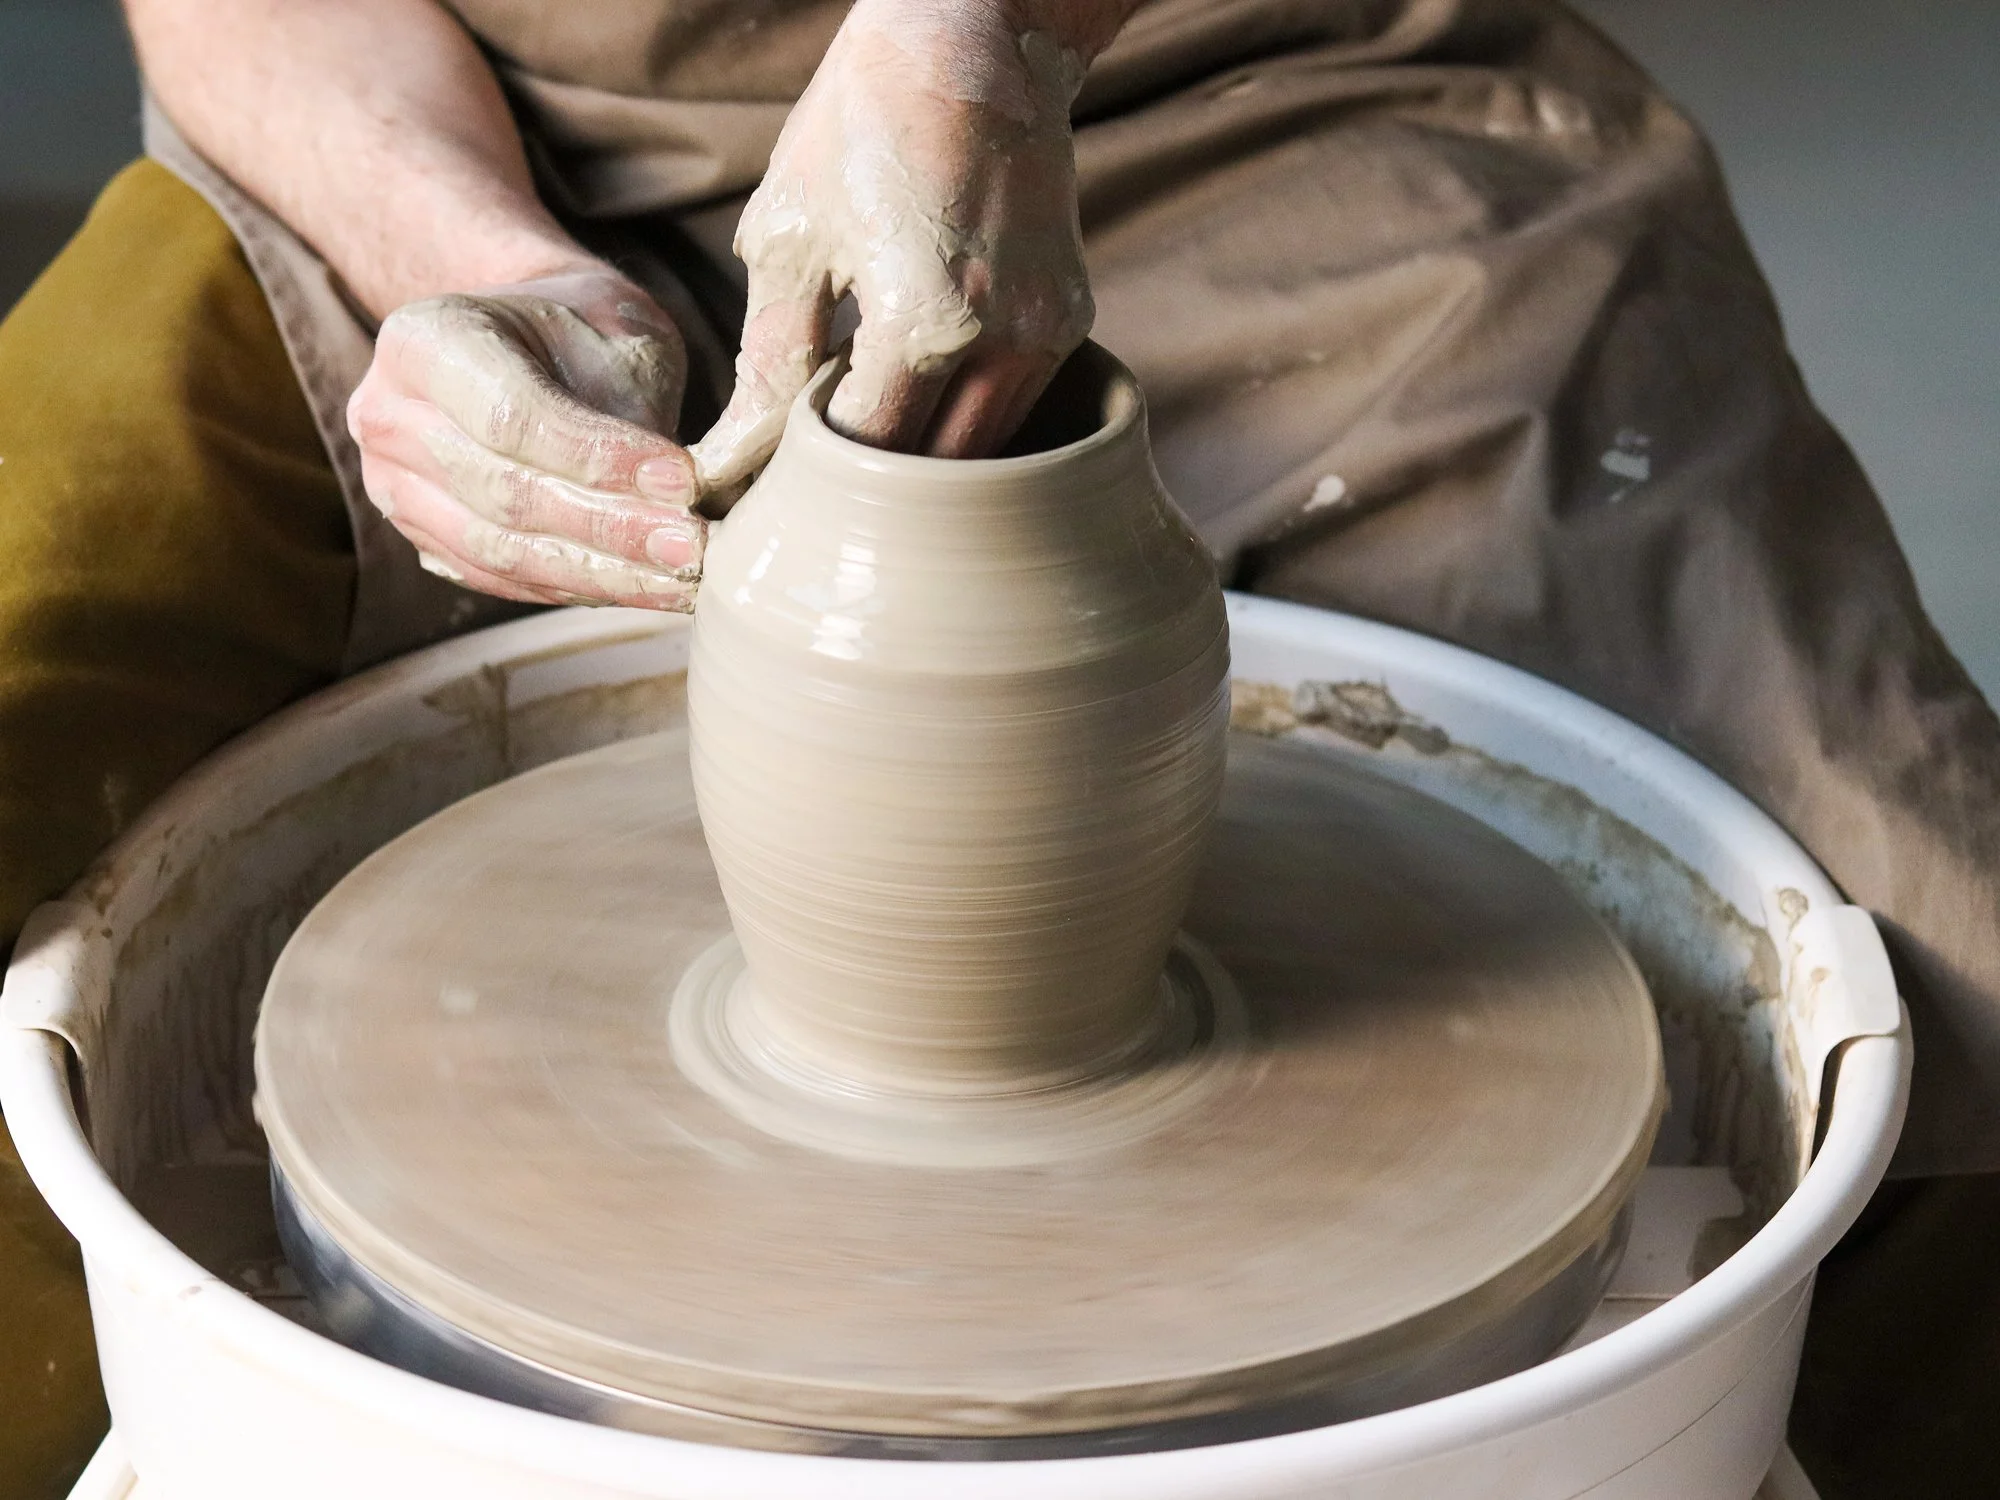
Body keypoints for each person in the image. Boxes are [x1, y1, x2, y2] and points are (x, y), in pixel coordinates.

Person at [2, 1, 1997, 1495]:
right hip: (460, 137)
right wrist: (478, 267)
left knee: (1945, 971)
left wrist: (988, 35)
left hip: (1256, 101)